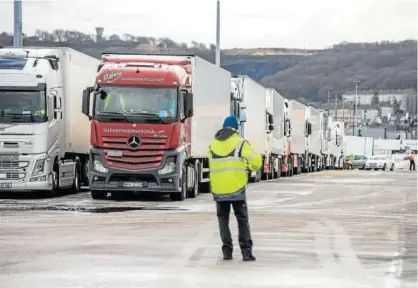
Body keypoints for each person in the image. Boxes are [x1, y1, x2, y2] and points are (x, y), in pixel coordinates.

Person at [207, 115, 262, 261]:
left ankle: (227, 251)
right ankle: (246, 252)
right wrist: (249, 166)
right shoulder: (240, 143)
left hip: (219, 189)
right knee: (242, 219)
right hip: (237, 188)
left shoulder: (212, 144)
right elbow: (256, 162)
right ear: (236, 128)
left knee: (223, 219)